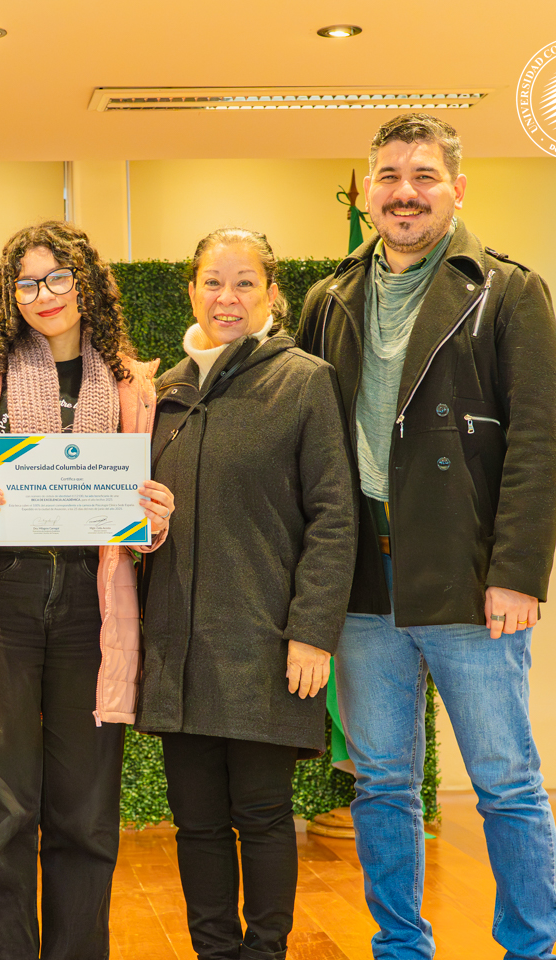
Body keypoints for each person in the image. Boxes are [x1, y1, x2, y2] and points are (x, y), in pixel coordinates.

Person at [296, 113, 556, 960]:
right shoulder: (328, 298)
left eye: (423, 175)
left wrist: (517, 571)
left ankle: (531, 948)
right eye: (388, 176)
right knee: (382, 782)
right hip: (361, 580)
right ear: (367, 192)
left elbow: (539, 440)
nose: (404, 192)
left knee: (505, 780)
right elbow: (303, 442)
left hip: (469, 579)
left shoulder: (508, 291)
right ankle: (400, 946)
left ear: (457, 187)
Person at [0, 221, 176, 960]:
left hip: (94, 608)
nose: (44, 295)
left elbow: (141, 509)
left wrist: (153, 517)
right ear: (10, 293)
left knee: (87, 818)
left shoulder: (132, 383)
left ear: (86, 283)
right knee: (2, 818)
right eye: (26, 283)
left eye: (58, 278)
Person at [137, 228, 355, 960]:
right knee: (196, 823)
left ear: (271, 294)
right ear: (191, 290)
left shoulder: (305, 381)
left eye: (244, 282)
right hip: (178, 647)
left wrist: (313, 631)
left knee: (262, 817)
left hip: (266, 644)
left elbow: (334, 516)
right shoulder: (162, 392)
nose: (226, 297)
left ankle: (265, 952)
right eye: (212, 281)